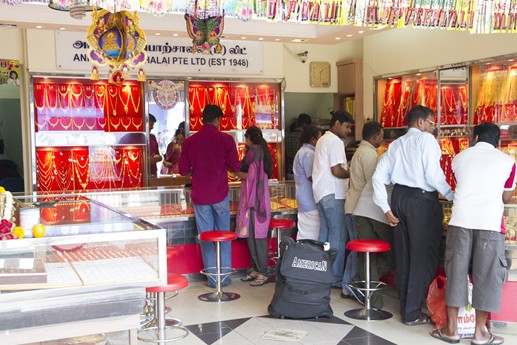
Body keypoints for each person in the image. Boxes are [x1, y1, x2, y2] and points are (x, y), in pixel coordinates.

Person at [430, 123, 516, 345]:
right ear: (498, 141)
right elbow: (506, 198)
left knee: (456, 274)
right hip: (489, 226)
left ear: (475, 137)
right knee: (487, 276)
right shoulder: (509, 162)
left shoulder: (459, 158)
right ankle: (480, 333)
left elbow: (463, 186)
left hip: (460, 224)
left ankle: (452, 330)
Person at [372, 105, 453, 325]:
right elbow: (433, 175)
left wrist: (386, 209)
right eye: (431, 123)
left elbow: (378, 177)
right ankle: (413, 312)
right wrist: (452, 196)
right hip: (421, 201)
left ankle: (408, 309)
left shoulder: (396, 144)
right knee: (422, 258)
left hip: (399, 199)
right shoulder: (425, 141)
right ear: (420, 122)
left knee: (404, 256)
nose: (432, 128)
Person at [179, 104, 242, 288]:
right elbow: (235, 167)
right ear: (217, 120)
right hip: (220, 193)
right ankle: (224, 277)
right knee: (223, 234)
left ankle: (212, 280)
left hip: (200, 195)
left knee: (205, 236)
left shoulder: (190, 142)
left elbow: (183, 170)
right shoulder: (226, 139)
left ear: (202, 120)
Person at [349, 121, 395, 309]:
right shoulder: (375, 157)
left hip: (361, 209)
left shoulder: (382, 159)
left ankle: (364, 288)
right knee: (391, 255)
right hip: (378, 212)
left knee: (366, 257)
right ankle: (365, 290)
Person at [341, 121, 385, 302]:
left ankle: (351, 286)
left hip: (353, 204)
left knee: (357, 251)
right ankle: (352, 286)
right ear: (374, 136)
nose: (382, 139)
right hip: (358, 207)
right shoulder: (368, 155)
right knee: (359, 251)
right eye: (381, 136)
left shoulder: (361, 151)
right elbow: (374, 183)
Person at [312, 110, 354, 287]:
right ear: (337, 123)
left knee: (324, 237)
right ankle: (335, 278)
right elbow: (336, 171)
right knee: (337, 237)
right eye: (347, 126)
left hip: (321, 193)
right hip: (334, 194)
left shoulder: (322, 139)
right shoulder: (335, 141)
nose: (349, 131)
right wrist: (352, 173)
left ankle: (320, 273)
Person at [236, 126, 273, 286]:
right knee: (253, 237)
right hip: (257, 201)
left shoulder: (255, 152)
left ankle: (262, 271)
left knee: (258, 238)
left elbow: (248, 176)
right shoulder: (261, 152)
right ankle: (256, 269)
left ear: (249, 137)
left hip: (257, 202)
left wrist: (234, 171)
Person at [293, 125, 322, 241]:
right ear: (313, 140)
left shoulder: (303, 152)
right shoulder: (308, 154)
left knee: (306, 233)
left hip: (305, 199)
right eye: (319, 138)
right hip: (309, 200)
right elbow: (312, 177)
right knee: (311, 235)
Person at [285, 113, 312, 178]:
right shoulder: (304, 137)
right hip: (302, 173)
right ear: (305, 125)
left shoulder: (287, 136)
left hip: (288, 170)